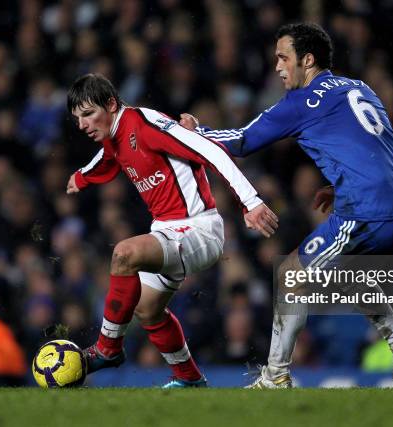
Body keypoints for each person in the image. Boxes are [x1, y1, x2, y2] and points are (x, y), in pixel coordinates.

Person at [180, 23, 393, 388]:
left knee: (291, 275)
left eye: (283, 57)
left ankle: (275, 375)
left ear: (307, 59)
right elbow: (375, 145)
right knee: (347, 277)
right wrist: (338, 184)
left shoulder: (303, 101)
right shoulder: (358, 87)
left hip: (368, 211)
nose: (278, 67)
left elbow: (242, 140)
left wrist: (196, 133)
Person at [65, 73, 278, 388]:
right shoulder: (114, 136)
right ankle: (189, 379)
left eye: (88, 114)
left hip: (200, 228)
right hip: (169, 229)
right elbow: (107, 159)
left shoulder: (145, 124)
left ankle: (107, 348)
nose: (82, 124)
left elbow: (211, 150)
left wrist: (251, 201)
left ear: (111, 104)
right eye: (76, 118)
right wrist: (81, 177)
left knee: (123, 254)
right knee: (147, 310)